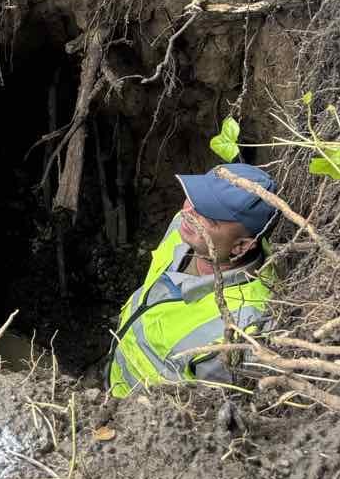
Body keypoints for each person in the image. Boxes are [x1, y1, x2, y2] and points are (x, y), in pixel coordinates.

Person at [109, 163, 277, 397]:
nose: (188, 212)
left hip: (140, 417)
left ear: (241, 247)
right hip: (116, 369)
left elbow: (207, 410)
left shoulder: (240, 330)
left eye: (208, 216)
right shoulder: (185, 226)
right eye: (195, 198)